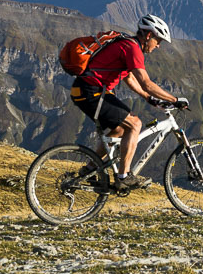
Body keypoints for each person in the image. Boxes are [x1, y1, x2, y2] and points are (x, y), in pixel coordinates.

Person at [70, 14, 186, 190]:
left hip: (86, 91)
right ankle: (123, 177)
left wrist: (149, 98)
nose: (159, 45)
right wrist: (175, 100)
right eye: (158, 40)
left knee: (119, 129)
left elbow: (129, 77)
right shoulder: (132, 48)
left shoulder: (127, 44)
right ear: (148, 35)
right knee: (135, 124)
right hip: (92, 92)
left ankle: (90, 170)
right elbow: (146, 83)